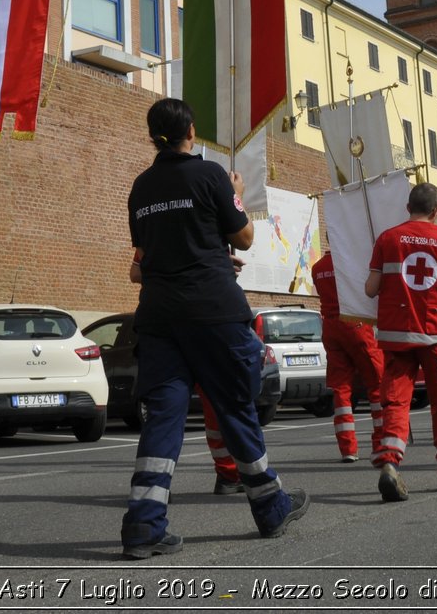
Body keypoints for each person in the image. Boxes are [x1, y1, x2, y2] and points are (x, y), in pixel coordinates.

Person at [116, 98, 307, 556]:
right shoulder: (210, 176)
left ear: (152, 136)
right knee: (235, 405)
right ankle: (269, 506)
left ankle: (143, 526)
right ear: (192, 131)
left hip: (160, 317)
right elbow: (243, 236)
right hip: (214, 312)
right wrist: (234, 192)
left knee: (163, 419)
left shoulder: (140, 188)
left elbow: (147, 255)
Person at [366, 181, 437, 499]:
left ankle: (389, 462)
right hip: (435, 333)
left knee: (396, 400)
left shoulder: (388, 238)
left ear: (407, 207)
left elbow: (371, 288)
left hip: (396, 333)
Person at [314, 250, 385, 464]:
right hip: (355, 323)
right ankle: (381, 442)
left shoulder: (317, 267)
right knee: (376, 383)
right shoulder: (351, 261)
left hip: (331, 326)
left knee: (341, 389)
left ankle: (347, 448)